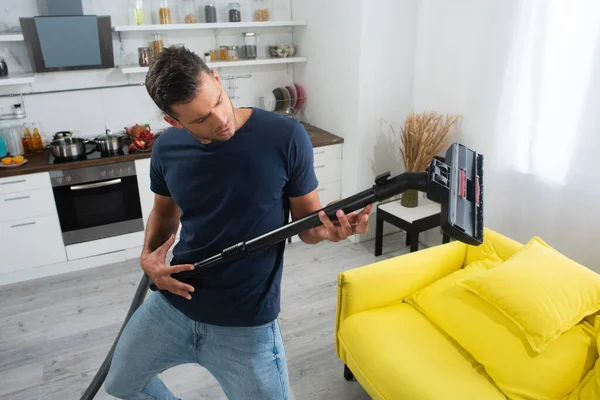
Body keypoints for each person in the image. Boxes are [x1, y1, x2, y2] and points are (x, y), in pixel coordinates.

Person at [104, 46, 372, 400]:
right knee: (120, 383)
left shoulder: (286, 136)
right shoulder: (167, 148)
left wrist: (330, 228)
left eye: (217, 101)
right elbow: (165, 212)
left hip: (246, 324)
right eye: (200, 120)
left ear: (216, 78)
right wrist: (149, 257)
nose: (219, 120)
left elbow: (307, 227)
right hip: (173, 305)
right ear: (174, 122)